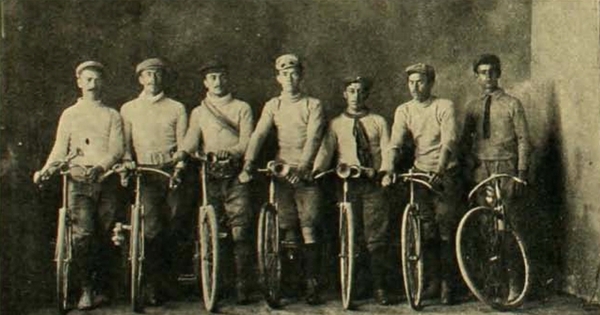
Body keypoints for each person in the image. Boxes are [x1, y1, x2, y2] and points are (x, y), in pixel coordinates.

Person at [33, 61, 124, 310]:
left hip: (105, 181)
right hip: (77, 181)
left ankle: (103, 287)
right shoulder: (70, 114)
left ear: (103, 82)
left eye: (97, 79)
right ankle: (86, 289)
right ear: (79, 82)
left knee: (104, 234)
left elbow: (117, 149)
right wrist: (46, 170)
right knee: (82, 235)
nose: (93, 84)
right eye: (88, 80)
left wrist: (101, 167)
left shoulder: (112, 115)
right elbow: (60, 149)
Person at [238, 53, 326, 304]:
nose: (289, 77)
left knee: (308, 226)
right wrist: (248, 164)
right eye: (284, 73)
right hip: (281, 171)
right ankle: (289, 282)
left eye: (294, 72)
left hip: (306, 172)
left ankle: (312, 283)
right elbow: (258, 135)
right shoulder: (273, 105)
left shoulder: (313, 104)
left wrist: (304, 167)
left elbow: (314, 137)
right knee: (287, 227)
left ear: (301, 75)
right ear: (278, 77)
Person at [382, 63, 460, 305]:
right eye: (411, 82)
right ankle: (432, 282)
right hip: (420, 174)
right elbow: (395, 142)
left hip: (445, 173)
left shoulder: (443, 106)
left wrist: (440, 169)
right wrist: (388, 169)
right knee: (426, 230)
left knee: (445, 227)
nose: (415, 87)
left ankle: (448, 284)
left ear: (431, 83)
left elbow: (449, 140)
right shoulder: (404, 110)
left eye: (420, 81)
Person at [179, 60, 255, 304]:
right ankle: (216, 285)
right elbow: (192, 139)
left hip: (236, 174)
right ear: (205, 82)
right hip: (209, 175)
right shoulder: (199, 112)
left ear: (228, 78)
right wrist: (182, 152)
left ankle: (242, 285)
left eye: (221, 76)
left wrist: (231, 152)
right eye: (212, 77)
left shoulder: (242, 108)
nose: (217, 82)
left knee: (240, 230)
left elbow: (247, 141)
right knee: (212, 230)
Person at [313, 76, 392, 305]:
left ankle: (380, 287)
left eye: (360, 91)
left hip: (373, 183)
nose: (356, 96)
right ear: (344, 95)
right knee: (350, 234)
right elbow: (326, 150)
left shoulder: (378, 121)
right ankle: (353, 286)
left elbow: (387, 149)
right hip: (347, 185)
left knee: (376, 236)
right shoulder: (336, 124)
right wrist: (316, 171)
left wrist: (385, 171)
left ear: (366, 95)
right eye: (351, 91)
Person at [462, 53, 531, 300]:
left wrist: (520, 174)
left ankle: (514, 285)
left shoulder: (512, 103)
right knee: (484, 225)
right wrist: (470, 168)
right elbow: (464, 142)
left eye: (492, 71)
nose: (488, 77)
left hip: (506, 169)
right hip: (482, 170)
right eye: (482, 72)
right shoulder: (472, 107)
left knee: (507, 225)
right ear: (476, 76)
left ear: (499, 74)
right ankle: (489, 284)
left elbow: (524, 140)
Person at [120, 58, 188, 306]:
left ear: (163, 78)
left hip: (170, 172)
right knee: (151, 228)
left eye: (158, 74)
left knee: (175, 223)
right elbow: (126, 146)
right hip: (145, 173)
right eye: (148, 74)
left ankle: (170, 282)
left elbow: (183, 144)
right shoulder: (128, 109)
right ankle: (150, 284)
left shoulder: (177, 108)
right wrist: (128, 161)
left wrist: (179, 166)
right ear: (140, 79)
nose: (153, 79)